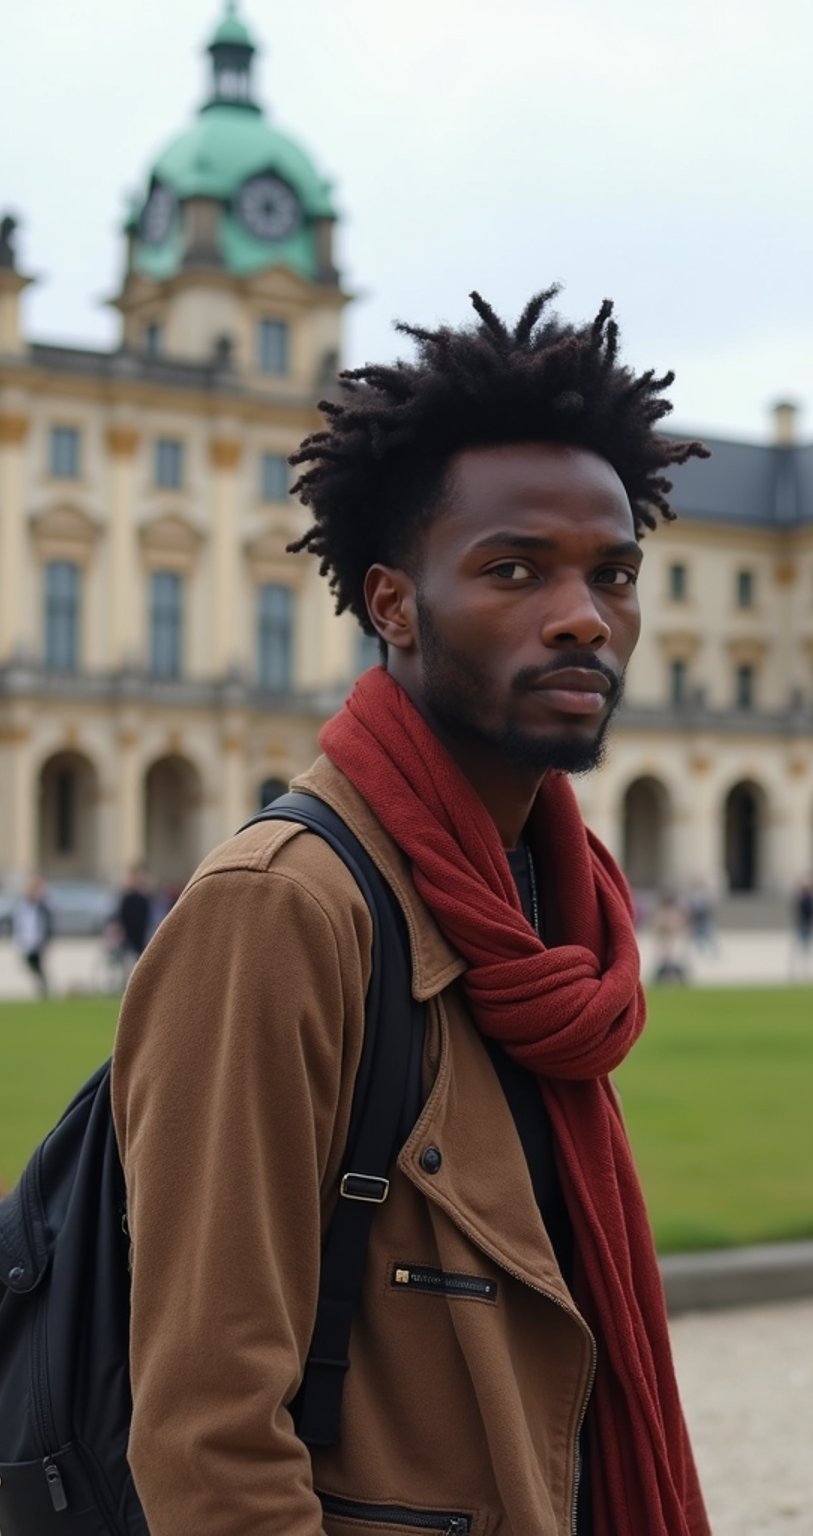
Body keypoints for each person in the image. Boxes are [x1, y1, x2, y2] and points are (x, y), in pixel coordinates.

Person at [112, 288, 712, 1536]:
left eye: (613, 573)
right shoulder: (280, 913)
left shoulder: (556, 912)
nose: (582, 617)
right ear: (391, 605)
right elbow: (211, 1443)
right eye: (513, 570)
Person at [12, 875, 53, 998]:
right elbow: (19, 922)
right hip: (26, 939)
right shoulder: (23, 905)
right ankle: (42, 986)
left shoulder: (42, 907)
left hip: (38, 939)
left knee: (37, 964)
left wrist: (46, 939)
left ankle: (43, 987)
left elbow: (48, 924)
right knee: (30, 963)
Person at [113, 864, 152, 984]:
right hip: (129, 936)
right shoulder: (127, 898)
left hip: (140, 936)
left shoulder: (143, 898)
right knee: (129, 964)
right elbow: (122, 918)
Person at [791, 874, 813, 980]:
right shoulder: (803, 898)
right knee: (802, 950)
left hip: (808, 926)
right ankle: (802, 972)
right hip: (804, 926)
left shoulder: (812, 899)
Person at [651, 891, 689, 983]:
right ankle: (663, 978)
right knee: (664, 960)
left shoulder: (675, 913)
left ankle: (676, 978)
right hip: (663, 939)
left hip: (673, 939)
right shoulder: (661, 913)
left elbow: (680, 925)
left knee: (674, 959)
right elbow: (656, 926)